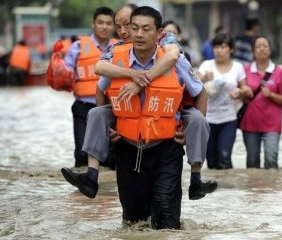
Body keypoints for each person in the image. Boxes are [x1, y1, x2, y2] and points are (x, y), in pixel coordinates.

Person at [61, 4, 216, 201]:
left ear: (156, 31)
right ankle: (91, 176)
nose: (126, 31)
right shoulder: (116, 51)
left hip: (170, 113)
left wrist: (142, 81)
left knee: (198, 121)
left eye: (129, 25)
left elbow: (177, 62)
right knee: (96, 114)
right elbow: (100, 74)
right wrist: (131, 76)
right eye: (122, 27)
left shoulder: (168, 44)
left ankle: (196, 178)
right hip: (129, 123)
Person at [106, 6, 206, 229]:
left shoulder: (176, 60)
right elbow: (101, 92)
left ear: (159, 32)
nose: (139, 34)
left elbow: (201, 92)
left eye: (146, 29)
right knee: (134, 221)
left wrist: (190, 131)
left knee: (166, 215)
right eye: (134, 28)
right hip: (127, 145)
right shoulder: (116, 60)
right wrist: (109, 126)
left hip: (166, 147)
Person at [63, 6, 114, 168]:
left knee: (111, 157)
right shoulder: (78, 47)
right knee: (82, 153)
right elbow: (65, 72)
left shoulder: (118, 47)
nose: (104, 27)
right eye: (100, 22)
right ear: (93, 24)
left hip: (111, 108)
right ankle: (80, 185)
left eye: (108, 23)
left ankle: (107, 190)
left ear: (113, 26)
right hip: (84, 107)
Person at [239, 35, 282, 169]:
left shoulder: (279, 72)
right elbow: (237, 91)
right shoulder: (245, 70)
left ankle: (271, 188)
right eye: (258, 47)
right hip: (250, 124)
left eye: (265, 46)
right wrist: (243, 91)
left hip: (272, 125)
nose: (261, 49)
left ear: (270, 50)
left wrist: (271, 95)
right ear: (253, 51)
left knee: (271, 159)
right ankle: (253, 190)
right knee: (252, 162)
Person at [198, 33, 246, 169]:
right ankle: (217, 190)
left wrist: (239, 92)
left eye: (223, 47)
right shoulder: (207, 65)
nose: (218, 50)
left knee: (224, 158)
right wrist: (205, 79)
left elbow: (245, 88)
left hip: (228, 119)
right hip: (207, 119)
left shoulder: (238, 67)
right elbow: (194, 83)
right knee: (211, 161)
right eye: (216, 47)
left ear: (231, 49)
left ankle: (229, 188)